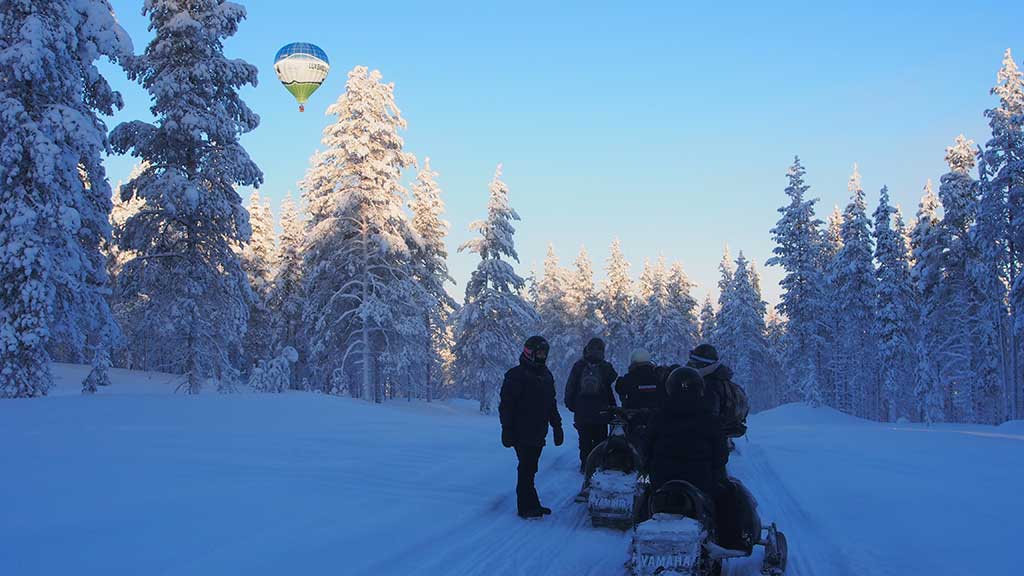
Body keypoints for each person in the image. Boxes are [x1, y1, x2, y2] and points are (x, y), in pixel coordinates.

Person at [499, 335, 564, 519]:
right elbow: (506, 405)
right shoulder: (516, 375)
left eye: (544, 353)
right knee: (526, 468)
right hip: (521, 431)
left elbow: (551, 403)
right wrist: (507, 429)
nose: (542, 356)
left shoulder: (545, 375)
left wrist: (557, 426)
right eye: (539, 353)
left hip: (538, 430)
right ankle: (525, 507)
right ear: (529, 353)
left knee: (531, 468)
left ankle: (532, 503)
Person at [642, 366, 722, 495]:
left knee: (643, 502)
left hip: (662, 480)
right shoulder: (709, 418)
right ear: (700, 388)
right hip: (701, 482)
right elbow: (720, 454)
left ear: (670, 388)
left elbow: (646, 448)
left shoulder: (659, 416)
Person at [686, 343, 738, 486]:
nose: (691, 365)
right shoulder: (717, 378)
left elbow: (707, 419)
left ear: (704, 364)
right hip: (717, 433)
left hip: (707, 440)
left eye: (694, 362)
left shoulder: (709, 385)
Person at [564, 337, 618, 470]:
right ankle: (599, 465)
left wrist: (572, 405)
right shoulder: (605, 367)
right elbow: (612, 379)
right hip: (602, 412)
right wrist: (612, 409)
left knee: (584, 441)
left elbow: (570, 386)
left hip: (582, 412)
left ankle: (585, 466)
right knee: (600, 440)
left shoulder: (578, 366)